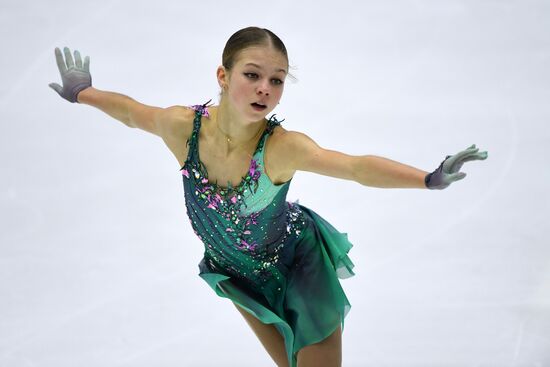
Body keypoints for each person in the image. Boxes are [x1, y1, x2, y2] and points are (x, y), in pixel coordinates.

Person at [49, 26, 488, 367]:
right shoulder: (182, 127)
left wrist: (426, 179)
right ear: (222, 75)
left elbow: (354, 167)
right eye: (253, 75)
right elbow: (132, 113)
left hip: (297, 265)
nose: (265, 88)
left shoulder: (281, 148)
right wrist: (81, 93)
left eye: (276, 80)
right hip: (238, 274)